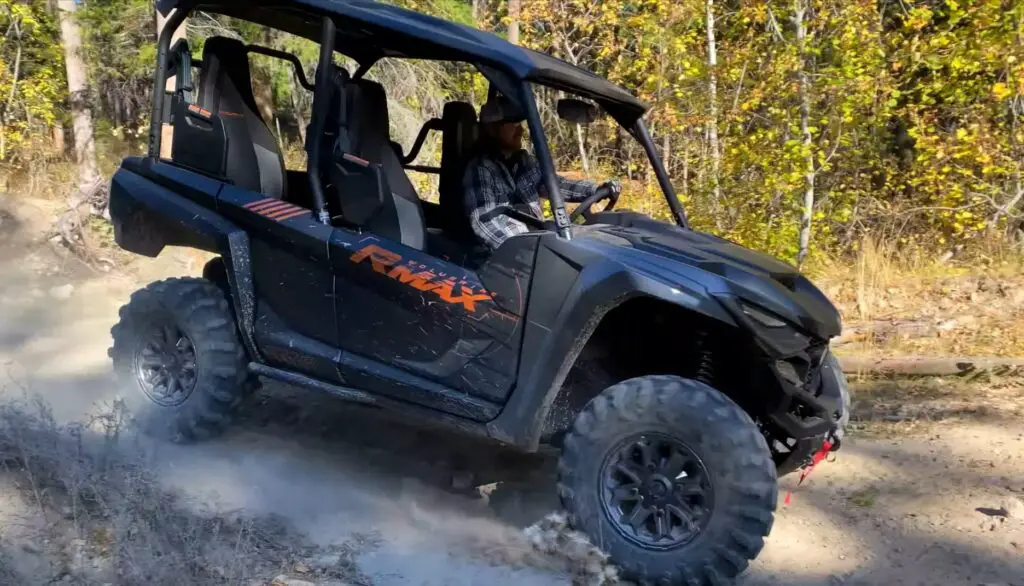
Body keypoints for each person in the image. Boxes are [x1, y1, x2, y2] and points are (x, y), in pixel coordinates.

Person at [462, 95, 619, 250]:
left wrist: (594, 190)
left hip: (536, 243)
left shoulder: (523, 161)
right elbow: (484, 221)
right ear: (493, 129)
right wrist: (518, 252)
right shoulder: (481, 168)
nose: (521, 129)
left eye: (521, 123)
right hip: (507, 257)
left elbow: (553, 185)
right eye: (514, 124)